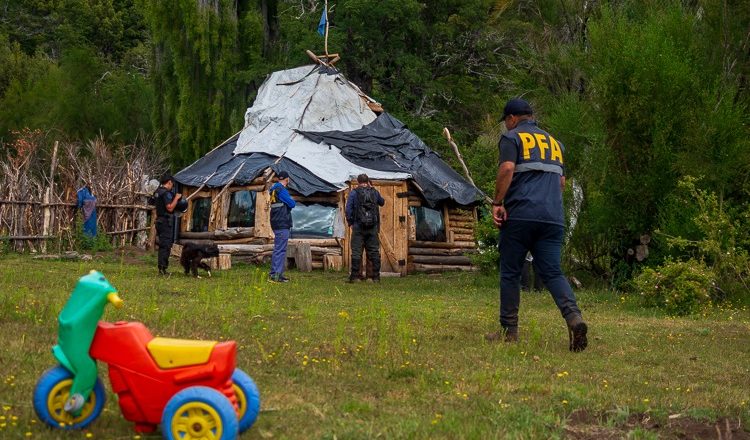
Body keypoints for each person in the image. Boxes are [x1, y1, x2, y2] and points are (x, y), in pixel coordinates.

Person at [485, 98, 588, 352]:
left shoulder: (512, 138)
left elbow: (508, 168)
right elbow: (561, 183)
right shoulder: (555, 143)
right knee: (552, 272)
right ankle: (574, 318)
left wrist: (498, 202)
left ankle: (509, 332)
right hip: (553, 218)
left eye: (506, 122)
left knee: (511, 271)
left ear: (511, 119)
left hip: (520, 215)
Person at [345, 174, 385, 283]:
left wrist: (350, 222)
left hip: (358, 226)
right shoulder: (374, 192)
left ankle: (355, 277)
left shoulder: (354, 193)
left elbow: (348, 209)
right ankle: (375, 277)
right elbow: (382, 202)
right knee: (374, 252)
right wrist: (374, 190)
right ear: (368, 181)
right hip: (372, 227)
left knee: (357, 251)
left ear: (358, 181)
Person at [269, 171, 295, 283]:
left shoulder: (273, 189)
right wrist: (291, 199)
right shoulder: (281, 190)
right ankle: (275, 275)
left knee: (279, 249)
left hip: (276, 221)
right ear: (287, 179)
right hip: (282, 222)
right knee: (280, 249)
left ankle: (277, 273)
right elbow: (292, 203)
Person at [153, 174, 182, 276]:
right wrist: (176, 198)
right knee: (166, 246)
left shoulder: (157, 192)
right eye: (172, 185)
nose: (172, 187)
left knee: (162, 245)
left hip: (159, 221)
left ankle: (161, 267)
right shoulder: (166, 193)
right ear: (169, 182)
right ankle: (163, 269)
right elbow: (169, 207)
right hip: (165, 221)